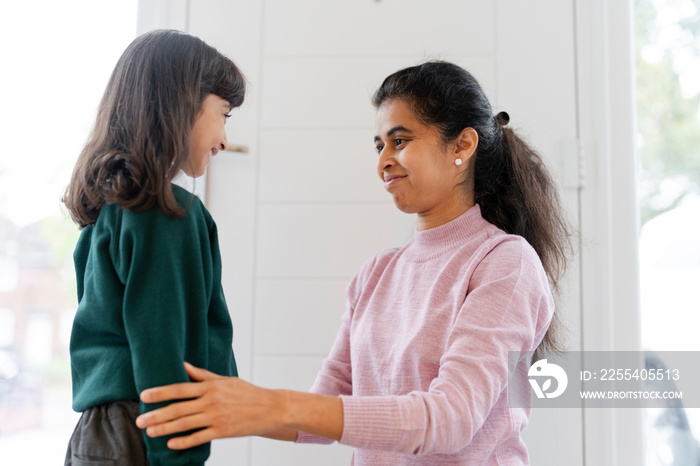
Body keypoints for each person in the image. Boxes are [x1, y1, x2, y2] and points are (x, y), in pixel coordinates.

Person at [135, 61, 572, 465]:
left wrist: (269, 405)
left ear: (462, 145)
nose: (383, 160)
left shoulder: (504, 264)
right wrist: (231, 403)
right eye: (380, 144)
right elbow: (325, 406)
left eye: (400, 141)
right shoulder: (377, 273)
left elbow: (452, 418)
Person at [61, 29, 245, 466]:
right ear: (182, 105)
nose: (223, 139)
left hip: (99, 434)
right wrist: (180, 456)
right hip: (142, 436)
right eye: (223, 114)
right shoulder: (168, 214)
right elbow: (165, 353)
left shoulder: (113, 210)